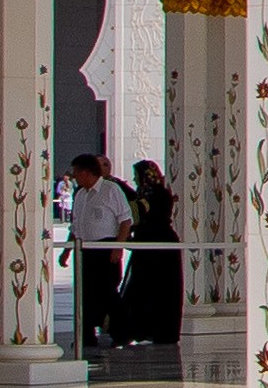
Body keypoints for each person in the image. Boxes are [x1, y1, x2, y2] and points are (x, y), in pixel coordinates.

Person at [65, 152, 129, 356]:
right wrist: (67, 251)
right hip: (85, 249)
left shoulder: (111, 190)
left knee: (108, 292)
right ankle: (87, 335)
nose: (74, 177)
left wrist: (118, 247)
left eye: (76, 172)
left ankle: (121, 333)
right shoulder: (80, 195)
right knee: (85, 293)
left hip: (106, 248)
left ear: (86, 172)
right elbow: (76, 226)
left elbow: (125, 220)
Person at [114, 157, 181, 347]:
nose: (135, 179)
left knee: (161, 290)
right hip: (147, 247)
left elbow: (137, 212)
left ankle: (160, 331)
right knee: (144, 288)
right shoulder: (147, 193)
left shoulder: (156, 194)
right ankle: (142, 329)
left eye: (136, 175)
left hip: (159, 248)